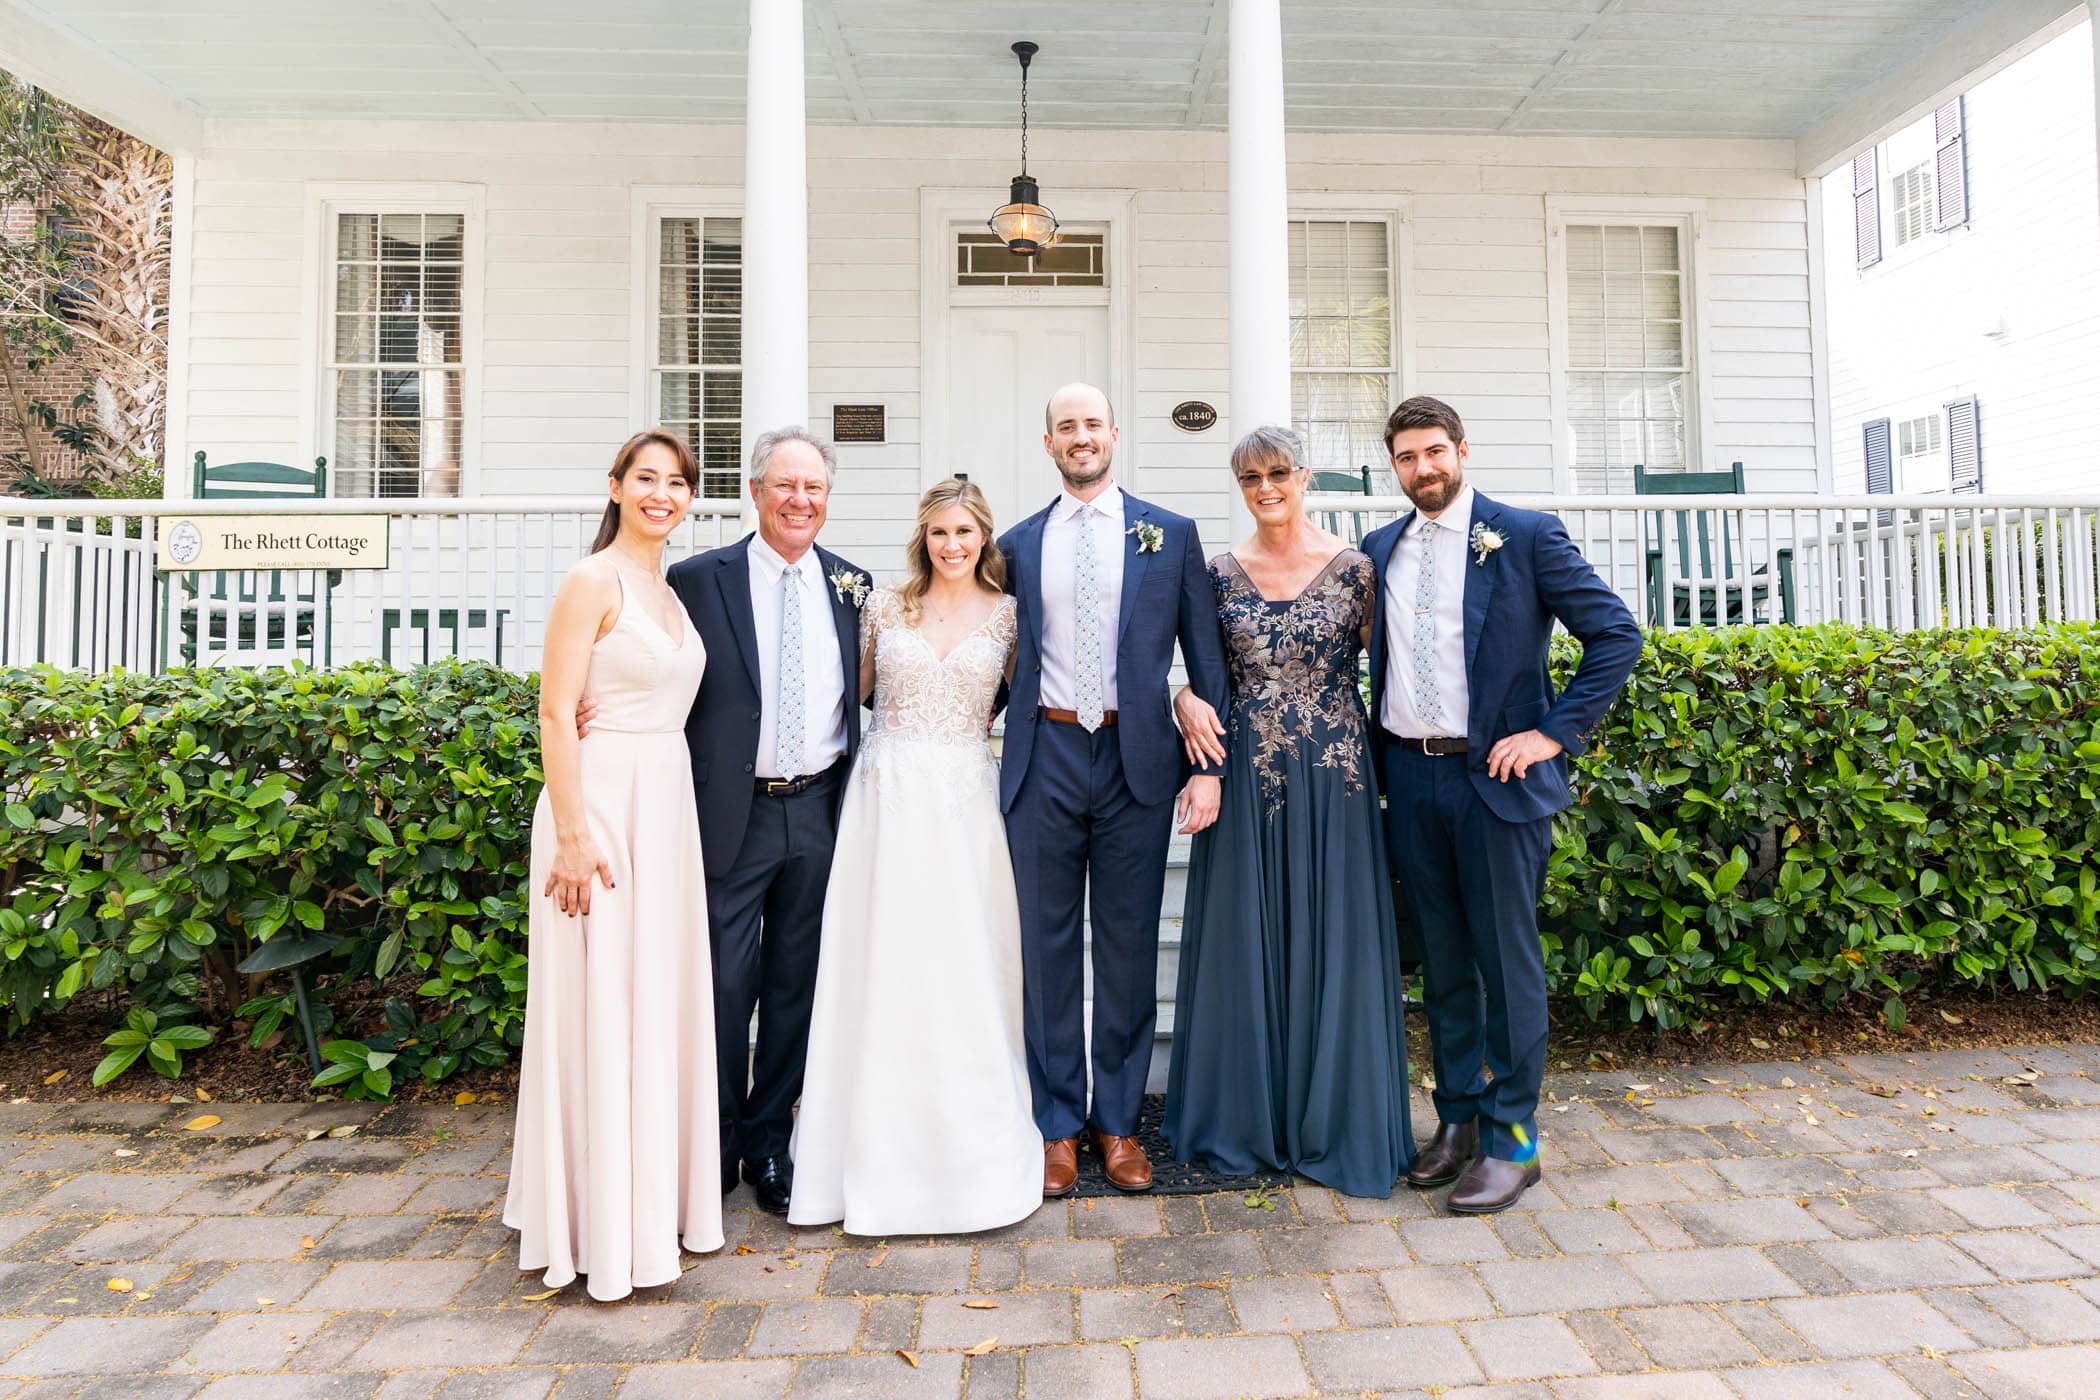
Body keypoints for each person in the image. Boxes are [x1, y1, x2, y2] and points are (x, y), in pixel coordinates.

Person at [579, 427, 868, 1217]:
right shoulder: (699, 580)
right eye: (785, 486)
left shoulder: (853, 584)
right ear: (755, 492)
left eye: (813, 488)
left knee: (794, 989)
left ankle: (771, 1144)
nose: (799, 500)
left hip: (818, 809)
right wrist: (588, 706)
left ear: (827, 498)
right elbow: (654, 661)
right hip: (726, 815)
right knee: (721, 985)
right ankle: (713, 1142)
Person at [1362, 396, 1641, 1214]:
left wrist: (1552, 734)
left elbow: (1615, 635)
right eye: (1409, 458)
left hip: (1499, 783)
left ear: (1462, 451)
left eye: (1436, 452)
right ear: (1395, 468)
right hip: (1411, 781)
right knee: (1444, 965)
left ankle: (1513, 1139)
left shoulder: (1524, 536)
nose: (1424, 468)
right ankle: (1456, 1121)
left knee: (1507, 964)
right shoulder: (1381, 549)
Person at [1163, 426, 1413, 1199]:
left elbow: (1399, 670)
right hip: (1243, 776)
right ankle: (1249, 1117)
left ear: (1304, 475)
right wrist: (1180, 700)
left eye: (1278, 473)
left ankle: (1333, 1120)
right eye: (1249, 477)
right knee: (1246, 937)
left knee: (1333, 936)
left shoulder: (1357, 571)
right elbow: (1199, 673)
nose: (1265, 488)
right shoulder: (1215, 574)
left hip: (1335, 777)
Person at [788, 480, 1042, 1235]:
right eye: (939, 532)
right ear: (922, 538)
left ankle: (968, 1148)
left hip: (964, 800)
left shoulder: (1009, 618)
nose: (952, 545)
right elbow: (838, 695)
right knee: (882, 959)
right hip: (886, 799)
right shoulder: (883, 608)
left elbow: (1030, 706)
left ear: (984, 537)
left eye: (965, 531)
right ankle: (865, 1148)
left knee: (960, 962)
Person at [505, 428, 723, 1301]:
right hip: (598, 812)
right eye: (646, 478)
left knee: (651, 1004)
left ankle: (647, 1207)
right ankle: (594, 1226)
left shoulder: (669, 590)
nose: (661, 493)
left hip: (667, 809)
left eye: (676, 482)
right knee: (600, 1007)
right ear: (616, 486)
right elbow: (557, 714)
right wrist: (571, 833)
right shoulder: (591, 579)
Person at [998, 382, 1231, 1197]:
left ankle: (1119, 1122)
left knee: (1128, 947)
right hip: (1046, 751)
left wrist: (1207, 767)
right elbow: (994, 656)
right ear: (1049, 441)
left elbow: (1207, 662)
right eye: (1067, 427)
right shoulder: (1017, 544)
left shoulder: (1170, 535)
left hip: (1138, 760)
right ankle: (1058, 1126)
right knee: (1047, 949)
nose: (1081, 437)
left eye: (1093, 424)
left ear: (1115, 434)